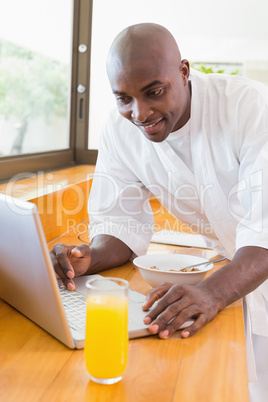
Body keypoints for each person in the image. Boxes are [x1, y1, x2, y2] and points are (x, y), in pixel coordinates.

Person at [51, 23, 268, 400]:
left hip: (248, 264)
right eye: (124, 98)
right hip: (239, 268)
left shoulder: (250, 107)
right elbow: (120, 222)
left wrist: (212, 293)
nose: (140, 112)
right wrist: (89, 257)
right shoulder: (120, 133)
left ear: (183, 72)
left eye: (154, 92)